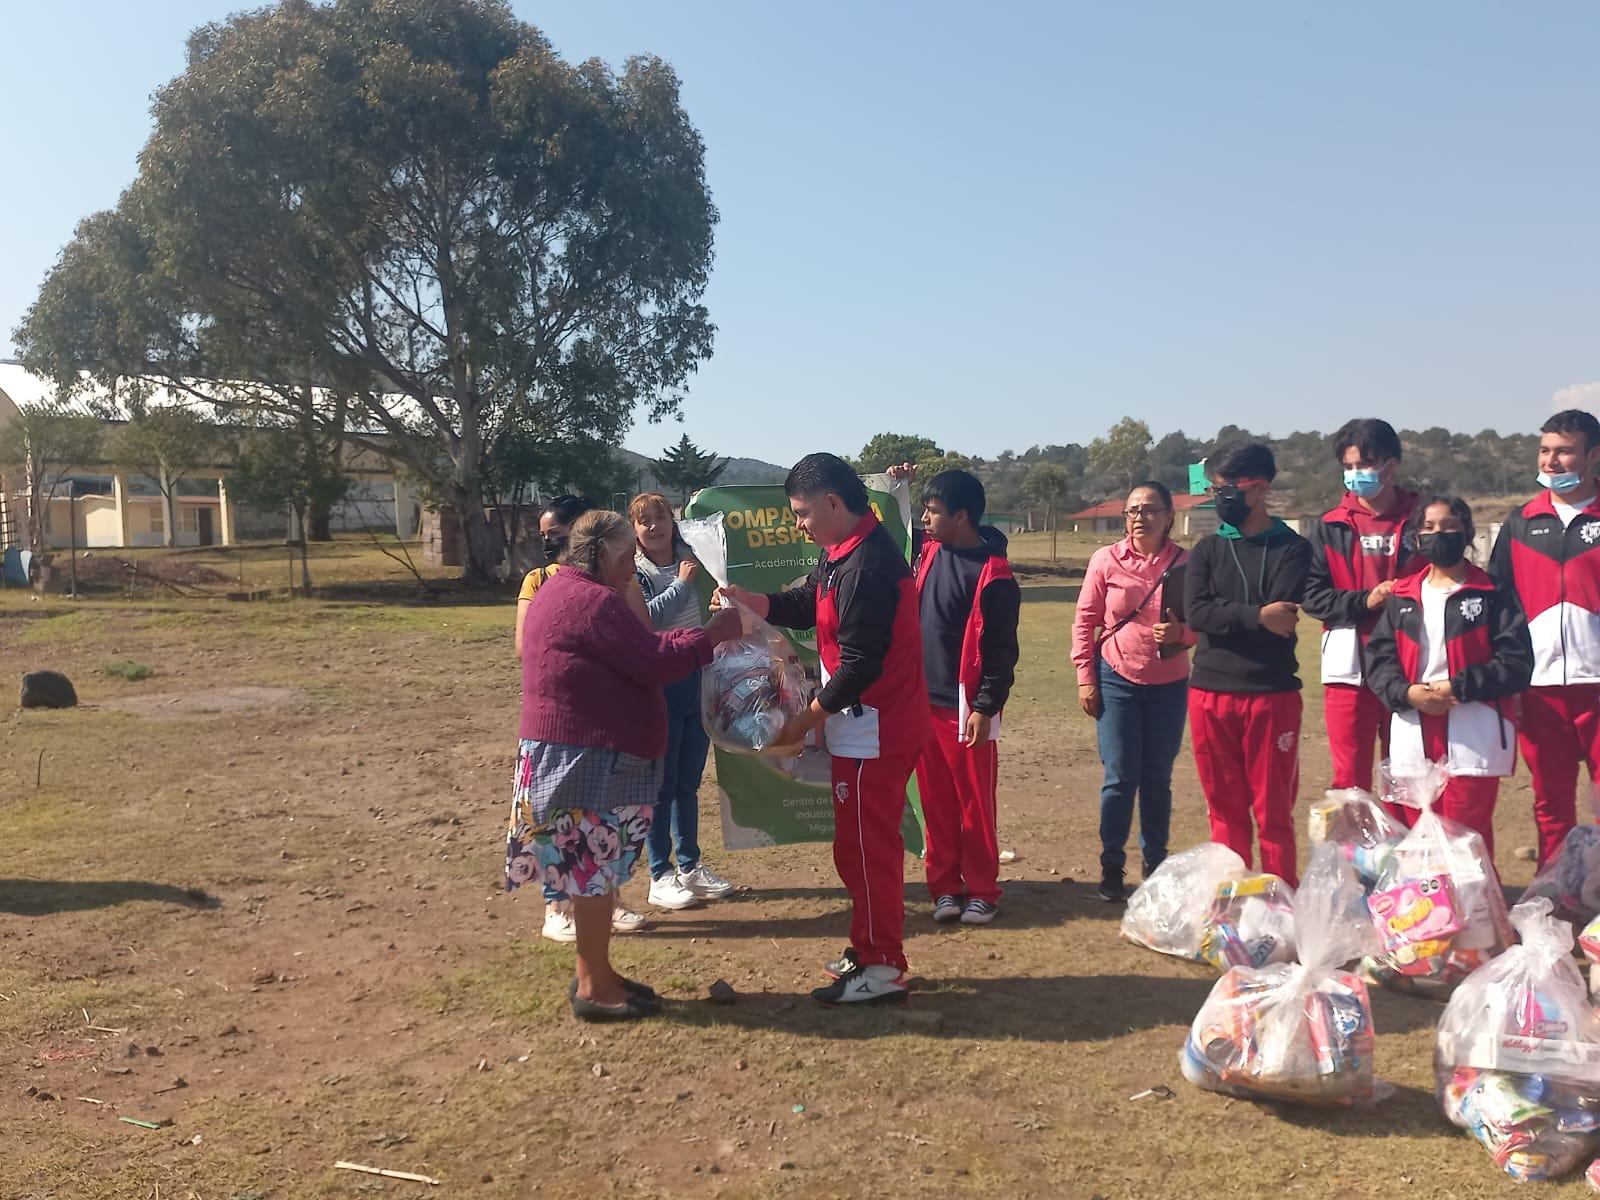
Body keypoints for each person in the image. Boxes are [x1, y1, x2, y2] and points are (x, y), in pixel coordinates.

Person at [505, 511, 741, 1021]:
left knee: (597, 871)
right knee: (590, 874)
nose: (632, 566)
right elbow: (652, 659)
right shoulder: (592, 601)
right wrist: (713, 634)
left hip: (576, 749)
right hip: (581, 753)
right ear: (604, 555)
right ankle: (593, 986)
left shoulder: (566, 590)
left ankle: (599, 971)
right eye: (625, 557)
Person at [720, 453, 931, 1006]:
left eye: (802, 513)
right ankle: (867, 949)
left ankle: (883, 966)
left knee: (868, 850)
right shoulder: (843, 553)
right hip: (860, 728)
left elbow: (862, 664)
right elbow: (804, 601)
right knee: (855, 847)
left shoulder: (870, 565)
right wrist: (755, 601)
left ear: (834, 503)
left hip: (875, 730)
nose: (798, 524)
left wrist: (803, 721)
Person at [516, 495, 652, 942]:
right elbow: (526, 646)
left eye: (558, 531)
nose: (551, 541)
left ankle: (606, 906)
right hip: (566, 727)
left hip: (606, 729)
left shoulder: (619, 581)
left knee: (595, 827)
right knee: (562, 825)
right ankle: (558, 908)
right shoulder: (544, 582)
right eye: (546, 536)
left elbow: (641, 641)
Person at [1366, 497, 1533, 858]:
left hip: (1474, 728)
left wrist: (1459, 687)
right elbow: (1379, 662)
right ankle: (1428, 915)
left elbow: (1517, 663)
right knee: (1419, 838)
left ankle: (1476, 913)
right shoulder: (1402, 596)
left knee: (1465, 838)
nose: (1438, 534)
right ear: (1415, 536)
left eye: (1448, 526)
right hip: (1413, 727)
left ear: (1467, 533)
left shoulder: (1492, 593)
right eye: (1428, 527)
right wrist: (1407, 693)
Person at [1184, 443, 1312, 886]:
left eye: (1229, 489)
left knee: (1273, 814)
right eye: (1216, 490)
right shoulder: (1205, 551)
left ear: (1259, 489)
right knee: (1224, 811)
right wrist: (1257, 615)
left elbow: (1284, 615)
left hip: (1270, 696)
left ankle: (1282, 907)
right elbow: (1197, 614)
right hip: (1210, 694)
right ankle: (1231, 910)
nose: (1221, 499)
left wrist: (1229, 614)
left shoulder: (1293, 549)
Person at [1071, 481, 1196, 902]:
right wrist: (1086, 677)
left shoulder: (1187, 563)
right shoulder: (1105, 560)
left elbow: (1202, 619)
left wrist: (1184, 633)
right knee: (1120, 777)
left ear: (1169, 517)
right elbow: (1085, 621)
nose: (1140, 517)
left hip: (1170, 684)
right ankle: (1111, 866)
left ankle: (1156, 864)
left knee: (1158, 779)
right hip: (1117, 678)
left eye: (1150, 509)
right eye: (1132, 510)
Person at [1488, 408, 1600, 866]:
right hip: (1539, 691)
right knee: (1551, 807)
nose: (1551, 461)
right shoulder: (1519, 523)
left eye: (1564, 451)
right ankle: (1559, 903)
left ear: (1592, 457)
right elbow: (1498, 606)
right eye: (1545, 450)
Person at [908, 468, 1020, 925]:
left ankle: (982, 890)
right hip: (922, 703)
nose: (925, 519)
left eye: (933, 511)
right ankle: (945, 887)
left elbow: (1000, 650)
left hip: (966, 708)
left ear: (961, 516)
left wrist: (984, 706)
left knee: (974, 801)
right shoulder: (928, 551)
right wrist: (895, 483)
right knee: (935, 802)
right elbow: (885, 521)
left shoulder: (995, 575)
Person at [629, 492, 736, 910]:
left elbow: (713, 598)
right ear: (634, 530)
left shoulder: (697, 554)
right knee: (662, 783)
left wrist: (710, 595)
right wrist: (681, 584)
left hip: (698, 675)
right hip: (662, 679)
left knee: (689, 781)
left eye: (661, 518)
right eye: (644, 521)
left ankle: (690, 866)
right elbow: (647, 620)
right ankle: (660, 874)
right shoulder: (634, 571)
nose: (654, 527)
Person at [1303, 419, 1421, 793]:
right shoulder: (1330, 525)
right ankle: (1349, 853)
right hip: (1349, 667)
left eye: (1365, 464)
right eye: (1349, 467)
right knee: (1348, 778)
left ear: (1392, 464)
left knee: (1405, 772)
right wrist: (1364, 600)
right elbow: (1313, 595)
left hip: (1409, 662)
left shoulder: (1423, 517)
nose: (1356, 474)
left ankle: (1406, 850)